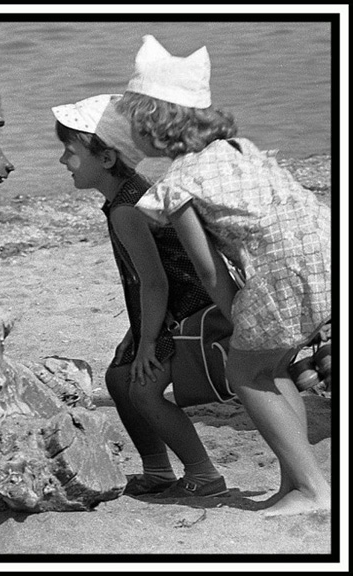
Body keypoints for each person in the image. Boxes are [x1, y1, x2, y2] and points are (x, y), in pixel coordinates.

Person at [117, 35, 332, 516]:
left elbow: (208, 267)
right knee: (272, 368)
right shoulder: (239, 148)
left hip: (285, 272)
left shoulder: (179, 182)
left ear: (153, 126)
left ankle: (314, 489)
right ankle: (296, 481)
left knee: (246, 371)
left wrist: (235, 314)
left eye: (133, 120)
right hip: (327, 252)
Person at [51, 94, 227, 499]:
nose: (63, 161)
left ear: (107, 159)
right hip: (168, 309)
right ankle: (158, 470)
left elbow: (155, 282)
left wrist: (148, 341)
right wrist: (137, 331)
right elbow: (144, 281)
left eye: (70, 151)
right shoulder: (128, 193)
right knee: (118, 375)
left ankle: (205, 473)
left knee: (143, 389)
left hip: (184, 313)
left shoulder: (127, 210)